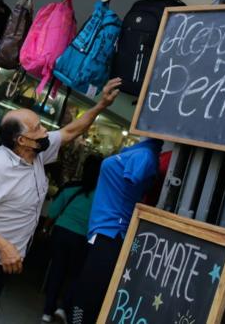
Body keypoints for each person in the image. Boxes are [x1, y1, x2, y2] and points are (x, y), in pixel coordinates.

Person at [0, 78, 122, 324]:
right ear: (21, 140)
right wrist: (5, 246)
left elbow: (71, 131)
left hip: (0, 261)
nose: (45, 131)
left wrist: (101, 105)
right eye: (39, 128)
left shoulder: (36, 152)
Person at [69, 137, 163, 324]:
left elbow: (134, 182)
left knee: (88, 296)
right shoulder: (138, 152)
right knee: (82, 292)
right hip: (102, 231)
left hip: (112, 233)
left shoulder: (145, 155)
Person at [40, 154, 103, 323]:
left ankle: (47, 312)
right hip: (82, 238)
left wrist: (45, 229)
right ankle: (63, 308)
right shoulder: (101, 196)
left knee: (56, 271)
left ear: (83, 168)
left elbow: (53, 212)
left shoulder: (70, 187)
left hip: (61, 232)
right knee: (76, 275)